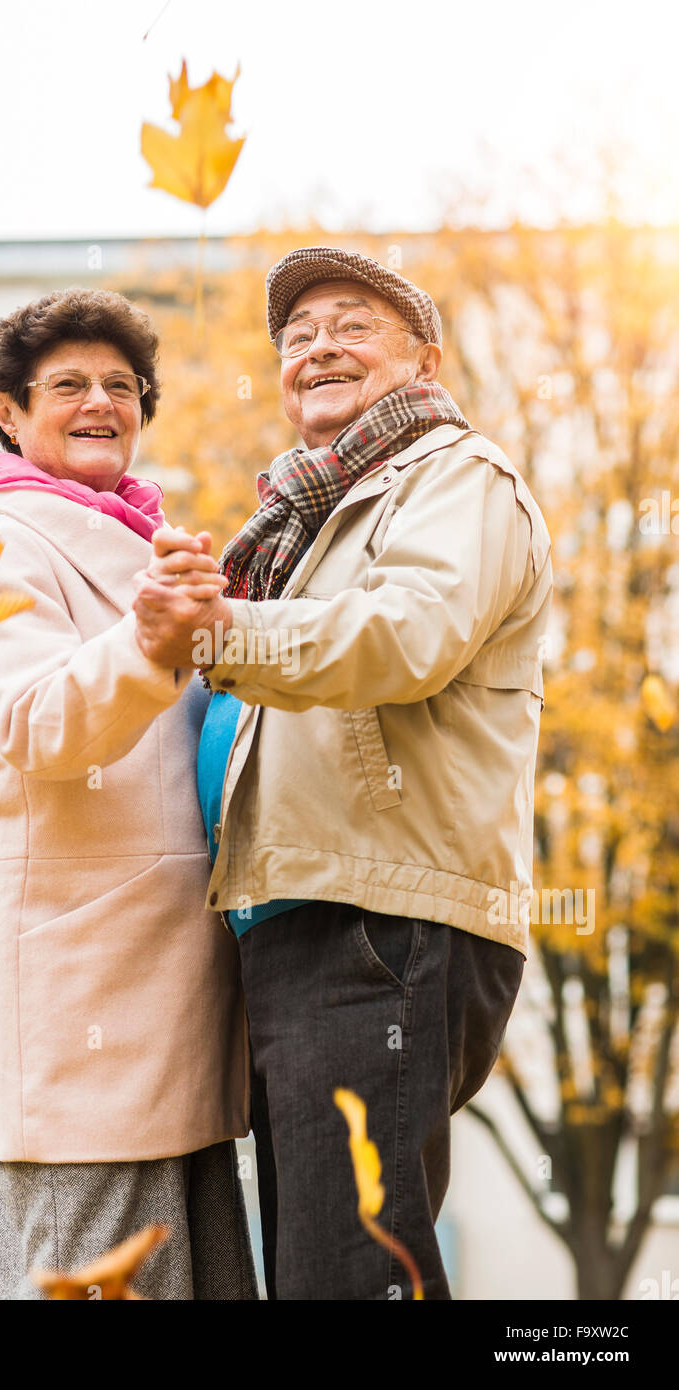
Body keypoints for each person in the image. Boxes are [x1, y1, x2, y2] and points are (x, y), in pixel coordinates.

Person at [132, 246, 554, 1300]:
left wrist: (222, 629)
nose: (318, 345)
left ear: (425, 358)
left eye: (352, 323)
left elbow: (404, 636)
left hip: (377, 913)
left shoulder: (459, 476)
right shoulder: (306, 521)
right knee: (331, 1269)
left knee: (347, 1276)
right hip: (307, 911)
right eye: (298, 334)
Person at [0, 288, 255, 1301]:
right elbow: (38, 724)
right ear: (9, 411)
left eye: (122, 386)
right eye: (67, 384)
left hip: (174, 1005)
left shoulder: (142, 544)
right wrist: (156, 639)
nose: (102, 401)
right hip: (87, 1008)